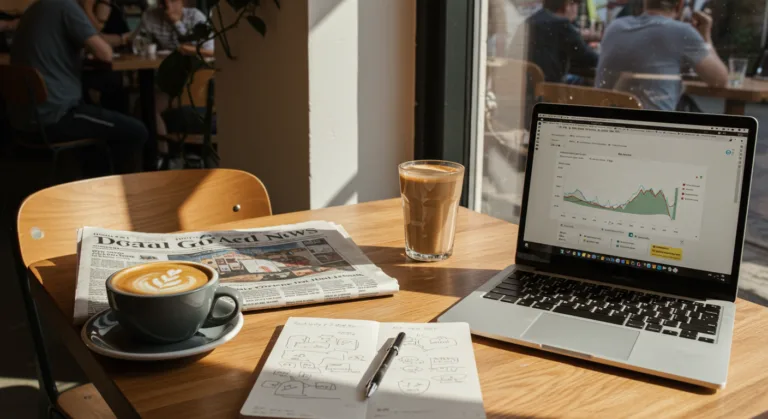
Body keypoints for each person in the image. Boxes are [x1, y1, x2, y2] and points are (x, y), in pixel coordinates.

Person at [9, 0, 149, 173]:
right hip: (55, 117)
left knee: (106, 104)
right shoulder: (65, 7)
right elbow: (105, 53)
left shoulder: (35, 8)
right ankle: (125, 188)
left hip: (24, 119)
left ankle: (94, 180)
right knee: (136, 131)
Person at [595, 0, 728, 110]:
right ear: (680, 4)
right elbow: (720, 80)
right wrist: (705, 36)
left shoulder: (614, 27)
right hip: (652, 128)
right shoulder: (682, 31)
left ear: (645, 3)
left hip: (607, 125)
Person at [513, 0, 598, 83]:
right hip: (549, 88)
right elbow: (589, 58)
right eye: (577, 2)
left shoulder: (529, 21)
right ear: (568, 4)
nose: (577, 8)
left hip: (520, 85)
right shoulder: (562, 24)